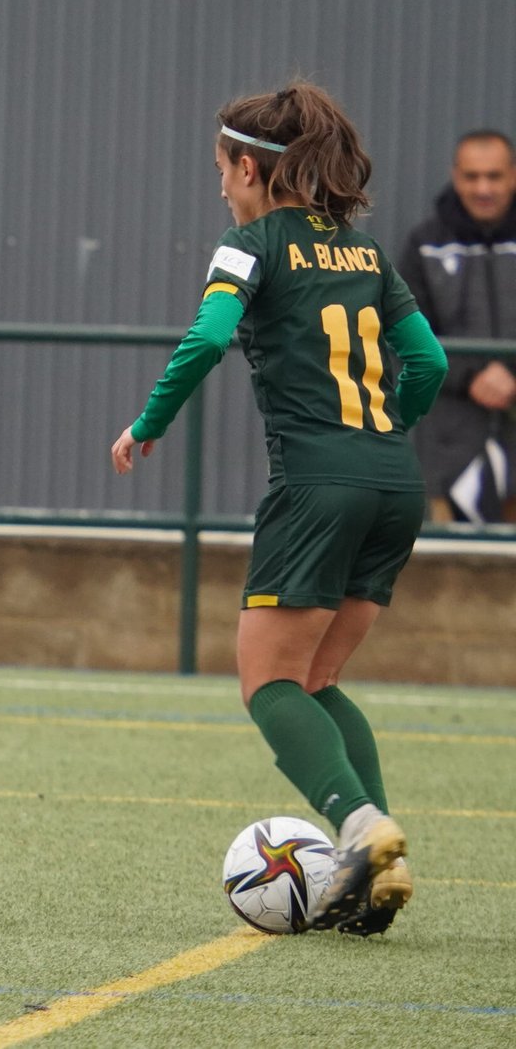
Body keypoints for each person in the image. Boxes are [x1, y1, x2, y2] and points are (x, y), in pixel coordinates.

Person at [109, 83, 448, 935]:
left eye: (223, 171)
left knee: (267, 683)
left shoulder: (248, 244)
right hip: (394, 482)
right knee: (320, 678)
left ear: (251, 167)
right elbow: (432, 364)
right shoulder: (369, 255)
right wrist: (381, 438)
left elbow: (210, 337)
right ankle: (380, 862)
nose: (220, 187)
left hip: (316, 485)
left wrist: (146, 425)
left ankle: (363, 827)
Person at [399, 130, 516, 523]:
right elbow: (408, 333)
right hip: (449, 454)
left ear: (513, 175)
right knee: (452, 575)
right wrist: (472, 378)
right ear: (455, 175)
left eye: (494, 176)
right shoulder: (424, 244)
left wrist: (511, 375)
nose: (483, 188)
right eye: (472, 176)